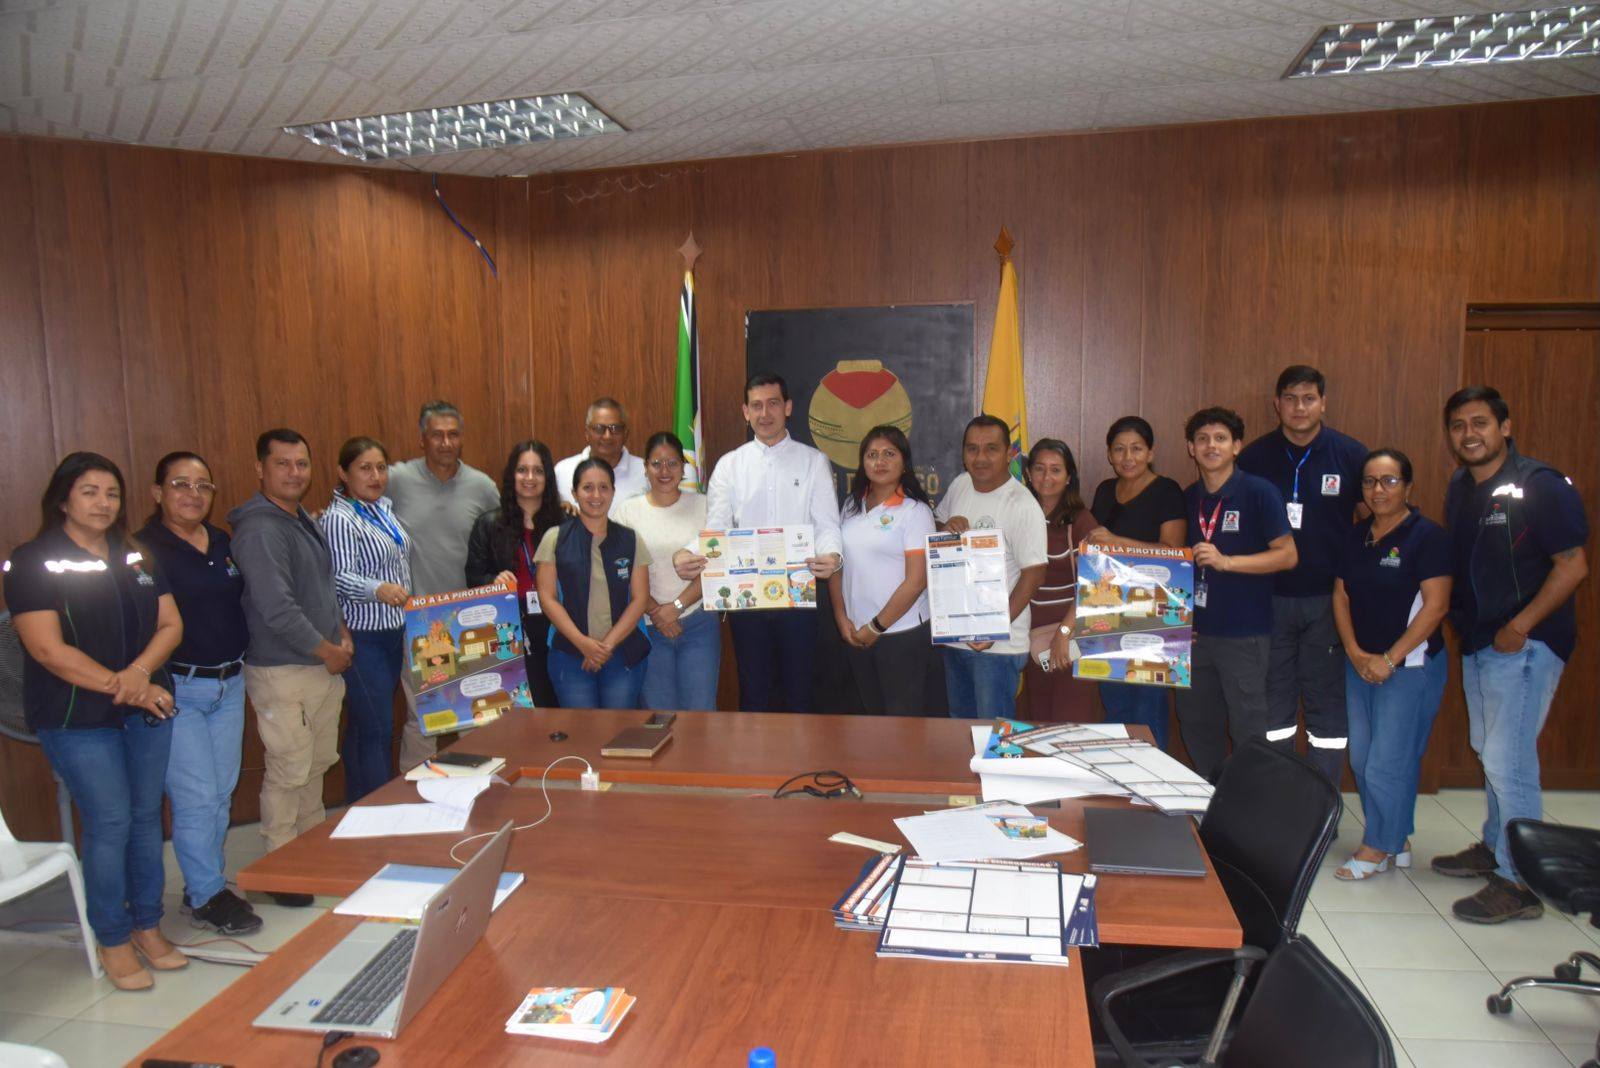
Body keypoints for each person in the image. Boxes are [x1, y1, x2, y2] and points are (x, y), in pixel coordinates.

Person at [5, 452, 185, 989]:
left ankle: (147, 925)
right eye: (89, 492)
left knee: (146, 818)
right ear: (63, 499)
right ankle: (112, 938)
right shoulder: (33, 560)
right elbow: (46, 649)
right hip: (76, 716)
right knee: (110, 823)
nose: (103, 503)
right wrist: (127, 685)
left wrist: (139, 675)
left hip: (146, 707)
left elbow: (171, 624)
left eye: (111, 493)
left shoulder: (137, 555)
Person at [1431, 386, 1589, 924]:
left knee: (1510, 759)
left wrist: (1521, 626)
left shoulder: (1540, 485)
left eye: (1480, 422)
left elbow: (1573, 566)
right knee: (1489, 750)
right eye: (1458, 425)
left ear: (1505, 426)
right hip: (1481, 641)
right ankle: (1496, 845)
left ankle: (1520, 881)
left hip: (1525, 643)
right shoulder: (1462, 486)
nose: (1468, 434)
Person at [138, 451, 261, 937]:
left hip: (229, 684)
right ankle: (209, 894)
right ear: (157, 493)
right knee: (197, 798)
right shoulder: (143, 550)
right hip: (178, 690)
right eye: (180, 484)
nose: (193, 494)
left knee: (221, 793)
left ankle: (201, 885)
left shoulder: (221, 541)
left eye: (203, 485)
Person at [228, 429, 351, 907]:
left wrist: (341, 634)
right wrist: (327, 650)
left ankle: (310, 852)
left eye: (301, 463)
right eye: (283, 463)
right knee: (288, 771)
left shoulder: (299, 518)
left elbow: (323, 588)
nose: (294, 472)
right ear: (260, 469)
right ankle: (280, 868)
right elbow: (276, 608)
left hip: (319, 665)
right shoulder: (261, 529)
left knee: (315, 765)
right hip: (284, 671)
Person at [673, 372, 843, 713]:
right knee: (754, 693)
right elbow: (717, 528)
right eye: (756, 406)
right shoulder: (729, 465)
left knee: (800, 694)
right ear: (745, 412)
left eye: (773, 404)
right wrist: (688, 553)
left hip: (798, 597)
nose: (765, 414)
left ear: (788, 407)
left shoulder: (813, 462)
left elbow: (826, 524)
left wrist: (833, 555)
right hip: (747, 599)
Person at [1238, 365, 1368, 784]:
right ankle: (1279, 801)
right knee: (1272, 708)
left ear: (1323, 403)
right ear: (1276, 404)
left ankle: (1320, 803)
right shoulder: (1254, 457)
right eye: (1290, 399)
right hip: (1268, 599)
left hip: (1329, 601)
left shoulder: (1350, 455)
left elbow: (1372, 522)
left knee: (1326, 709)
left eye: (1309, 398)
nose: (1299, 407)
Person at [1331, 449, 1451, 881]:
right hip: (1360, 663)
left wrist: (1388, 658)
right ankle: (1396, 838)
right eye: (1369, 482)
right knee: (1363, 758)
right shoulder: (1356, 535)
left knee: (1389, 761)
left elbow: (1435, 606)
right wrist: (1354, 652)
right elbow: (1341, 595)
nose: (1378, 490)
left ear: (1408, 486)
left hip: (1409, 667)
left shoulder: (1427, 537)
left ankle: (1377, 845)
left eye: (1389, 481)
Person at [1173, 407, 1297, 781]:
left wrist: (1227, 562)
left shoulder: (1259, 492)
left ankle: (1247, 804)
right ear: (1191, 448)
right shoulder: (1189, 496)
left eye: (1220, 438)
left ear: (1237, 446)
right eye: (1202, 439)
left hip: (1244, 635)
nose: (1211, 446)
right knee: (1196, 723)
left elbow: (1288, 556)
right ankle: (1211, 796)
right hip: (1193, 635)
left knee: (1248, 728)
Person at [386, 400, 500, 770]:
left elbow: (505, 531)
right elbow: (360, 503)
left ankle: (482, 789)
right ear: (422, 439)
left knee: (479, 716)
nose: (446, 443)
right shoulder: (397, 480)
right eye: (437, 435)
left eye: (453, 435)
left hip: (471, 620)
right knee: (423, 720)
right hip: (421, 622)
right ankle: (413, 792)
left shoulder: (482, 486)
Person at [934, 414, 1048, 719]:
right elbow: (938, 526)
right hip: (955, 636)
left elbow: (1035, 573)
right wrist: (947, 525)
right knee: (961, 733)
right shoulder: (960, 484)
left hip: (997, 647)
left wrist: (994, 627)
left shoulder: (1021, 504)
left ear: (1009, 454)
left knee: (992, 736)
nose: (980, 458)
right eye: (972, 449)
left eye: (991, 449)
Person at [319, 437, 412, 804]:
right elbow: (338, 577)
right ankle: (380, 809)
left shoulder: (382, 509)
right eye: (365, 468)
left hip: (393, 632)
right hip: (363, 636)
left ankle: (358, 806)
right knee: (377, 729)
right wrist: (378, 589)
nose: (376, 476)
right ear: (343, 473)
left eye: (381, 468)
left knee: (363, 727)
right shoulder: (339, 518)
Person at [829, 425, 945, 716]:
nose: (879, 461)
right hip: (855, 632)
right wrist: (841, 618)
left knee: (902, 726)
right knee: (870, 721)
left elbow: (916, 581)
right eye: (872, 455)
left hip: (901, 635)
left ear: (904, 463)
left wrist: (876, 627)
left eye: (889, 454)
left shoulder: (915, 512)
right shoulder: (851, 505)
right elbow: (836, 564)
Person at [1085, 416, 1186, 747]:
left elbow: (1174, 552)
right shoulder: (1104, 491)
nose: (1128, 457)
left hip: (1153, 616)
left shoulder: (1167, 491)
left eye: (1137, 449)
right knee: (1115, 707)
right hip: (1109, 610)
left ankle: (1153, 779)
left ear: (1151, 453)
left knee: (1148, 711)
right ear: (1109, 455)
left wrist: (1118, 541)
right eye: (1119, 449)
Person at [535, 458, 652, 708]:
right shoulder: (554, 538)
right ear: (574, 493)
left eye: (604, 487)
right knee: (581, 729)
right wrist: (583, 644)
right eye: (587, 488)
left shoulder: (631, 539)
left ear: (613, 492)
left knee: (617, 728)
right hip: (570, 652)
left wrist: (604, 647)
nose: (596, 495)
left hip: (622, 651)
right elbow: (547, 598)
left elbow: (640, 598)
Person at [614, 432, 719, 711]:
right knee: (659, 718)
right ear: (645, 467)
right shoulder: (627, 512)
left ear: (683, 467)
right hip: (649, 625)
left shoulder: (705, 506)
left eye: (672, 463)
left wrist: (676, 607)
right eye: (656, 463)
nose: (664, 471)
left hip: (698, 623)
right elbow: (620, 572)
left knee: (700, 715)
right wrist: (656, 612)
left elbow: (717, 565)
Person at [466, 440, 564, 708]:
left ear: (548, 477)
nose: (530, 477)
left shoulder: (565, 523)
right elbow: (473, 578)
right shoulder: (488, 524)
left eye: (538, 470)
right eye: (522, 470)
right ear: (512, 475)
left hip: (556, 624)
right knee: (520, 707)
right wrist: (492, 581)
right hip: (510, 627)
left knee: (557, 706)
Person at [1021, 438, 1099, 723]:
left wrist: (1064, 633)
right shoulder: (1019, 514)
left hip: (1070, 641)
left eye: (1056, 470)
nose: (1046, 476)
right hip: (1028, 640)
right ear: (1028, 473)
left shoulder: (1080, 520)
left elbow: (1096, 584)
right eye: (1039, 468)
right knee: (1038, 725)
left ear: (1068, 477)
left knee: (1070, 726)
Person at [553, 397, 649, 513]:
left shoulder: (645, 472)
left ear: (626, 434)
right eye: (599, 428)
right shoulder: (562, 471)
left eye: (615, 428)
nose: (607, 436)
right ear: (587, 433)